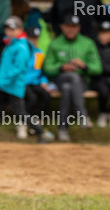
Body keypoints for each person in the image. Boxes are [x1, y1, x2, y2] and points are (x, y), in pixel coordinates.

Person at [43, 14, 102, 142]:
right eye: (68, 26)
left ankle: (62, 129)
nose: (71, 29)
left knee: (68, 87)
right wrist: (61, 67)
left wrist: (84, 66)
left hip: (82, 80)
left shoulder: (88, 43)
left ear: (79, 28)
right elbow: (47, 68)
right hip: (60, 78)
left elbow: (98, 68)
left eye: (74, 26)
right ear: (62, 27)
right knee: (70, 78)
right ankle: (82, 115)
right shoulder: (55, 44)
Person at [0, 17, 31, 141]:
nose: (9, 32)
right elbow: (5, 68)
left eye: (12, 29)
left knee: (21, 114)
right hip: (5, 86)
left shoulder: (21, 47)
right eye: (7, 29)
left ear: (20, 30)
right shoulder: (10, 44)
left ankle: (41, 132)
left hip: (14, 86)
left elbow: (17, 70)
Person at [22, 26, 55, 143]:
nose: (33, 40)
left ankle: (36, 121)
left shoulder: (39, 53)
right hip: (23, 82)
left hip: (35, 82)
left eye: (36, 38)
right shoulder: (23, 51)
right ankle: (23, 123)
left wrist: (44, 82)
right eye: (31, 38)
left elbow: (41, 71)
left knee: (45, 95)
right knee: (31, 98)